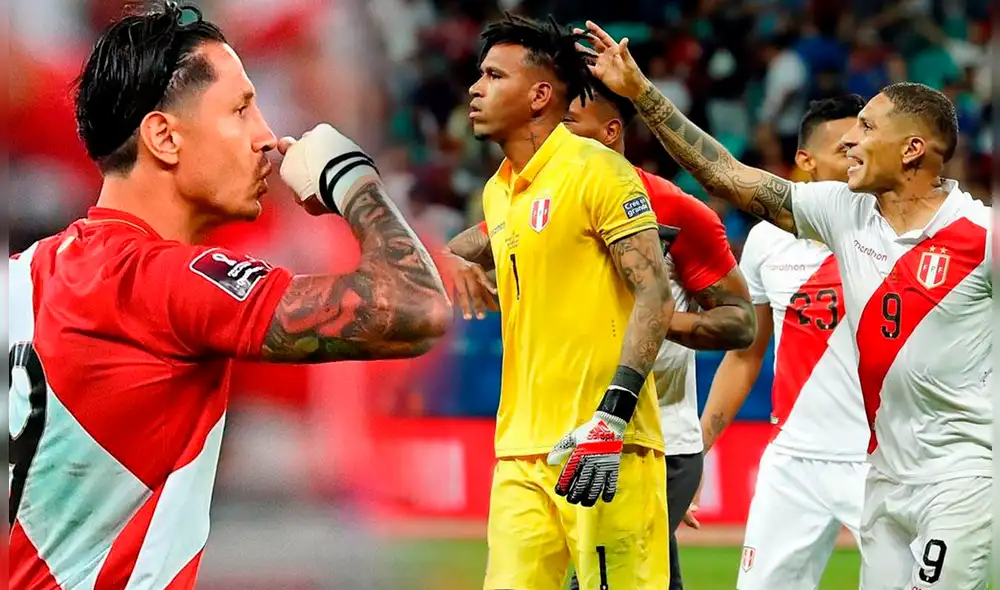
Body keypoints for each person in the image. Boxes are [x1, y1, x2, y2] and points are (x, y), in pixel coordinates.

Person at [7, 3, 451, 588]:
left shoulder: (33, 269)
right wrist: (351, 179)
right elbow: (418, 307)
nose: (266, 137)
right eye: (241, 110)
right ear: (164, 137)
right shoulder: (165, 282)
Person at [583, 20, 993, 590]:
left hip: (960, 478)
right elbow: (726, 174)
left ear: (912, 150)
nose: (852, 141)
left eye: (867, 129)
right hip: (885, 478)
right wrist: (642, 94)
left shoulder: (983, 237)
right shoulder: (842, 213)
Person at [440, 13, 676, 590]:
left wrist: (611, 417)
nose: (475, 88)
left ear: (540, 94)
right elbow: (472, 246)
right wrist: (452, 256)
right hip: (518, 454)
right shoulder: (500, 190)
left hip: (605, 445)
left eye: (494, 75)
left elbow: (655, 292)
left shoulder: (599, 172)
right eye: (479, 75)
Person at [561, 80, 755, 590]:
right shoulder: (547, 206)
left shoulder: (675, 210)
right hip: (568, 433)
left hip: (656, 440)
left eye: (567, 125)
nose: (553, 139)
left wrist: (656, 312)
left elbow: (741, 323)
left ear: (610, 132)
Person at [700, 95, 872, 589]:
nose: (857, 158)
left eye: (865, 147)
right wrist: (697, 450)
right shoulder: (766, 242)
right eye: (845, 149)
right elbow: (745, 355)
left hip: (878, 460)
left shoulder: (896, 232)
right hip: (791, 459)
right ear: (805, 160)